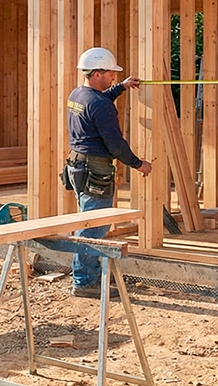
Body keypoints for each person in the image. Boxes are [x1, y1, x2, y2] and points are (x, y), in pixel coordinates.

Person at [62, 47, 153, 299]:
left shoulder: (78, 95)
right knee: (94, 227)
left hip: (77, 166)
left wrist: (121, 87)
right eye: (111, 73)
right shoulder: (100, 105)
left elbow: (97, 105)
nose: (113, 77)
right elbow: (115, 144)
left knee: (87, 220)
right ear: (97, 73)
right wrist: (138, 164)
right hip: (95, 169)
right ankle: (84, 282)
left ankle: (88, 274)